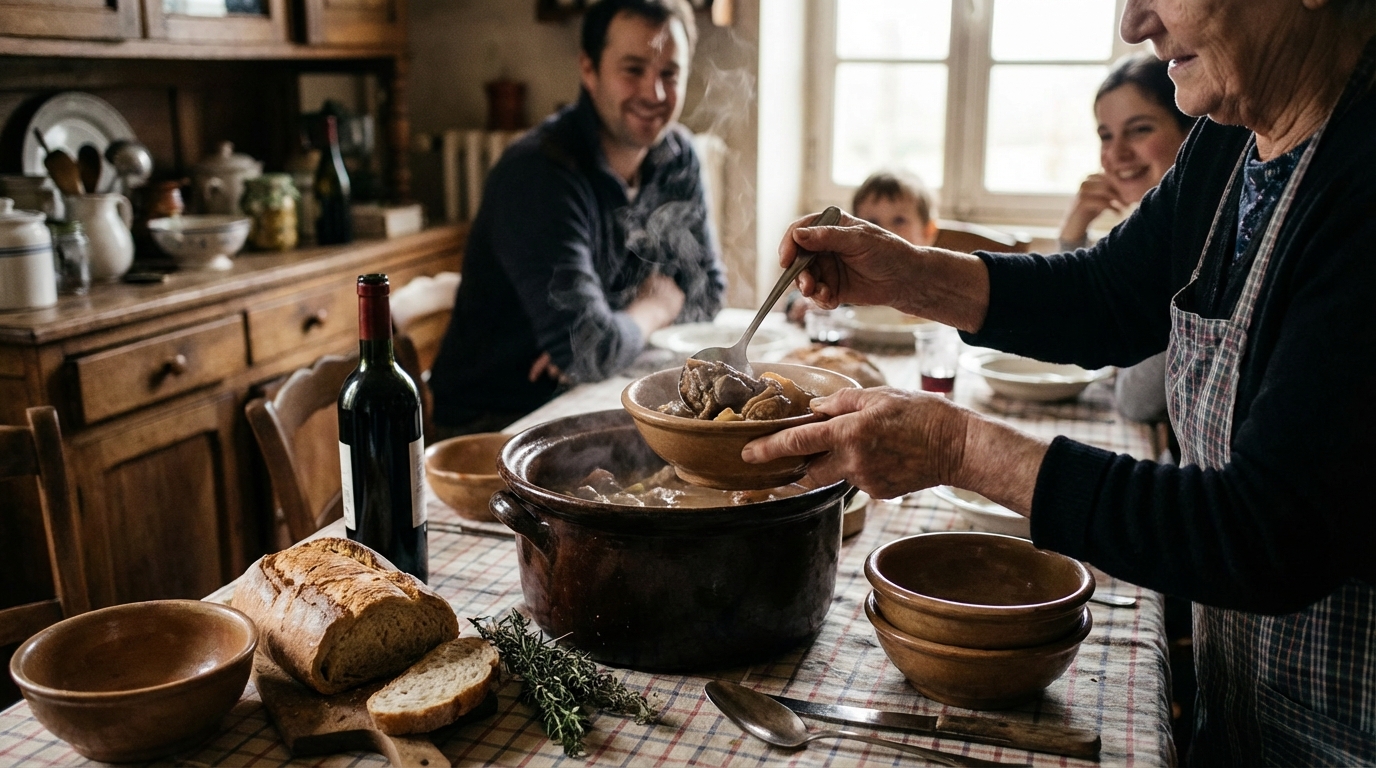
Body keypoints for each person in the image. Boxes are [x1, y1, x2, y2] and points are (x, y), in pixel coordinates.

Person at [747, 0, 1376, 763]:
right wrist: (911, 274)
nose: (1135, 22)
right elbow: (1108, 295)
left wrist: (961, 451)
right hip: (1247, 709)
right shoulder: (1229, 145)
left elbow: (1267, 531)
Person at [429, 0, 726, 436]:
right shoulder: (538, 172)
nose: (654, 94)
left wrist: (605, 333)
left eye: (670, 73)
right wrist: (651, 308)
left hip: (587, 395)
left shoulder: (677, 156)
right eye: (632, 69)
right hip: (496, 422)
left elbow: (708, 291)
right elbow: (589, 350)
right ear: (589, 70)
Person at [1060, 53, 1194, 424]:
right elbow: (1083, 337)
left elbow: (1137, 399)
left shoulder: (1196, 242)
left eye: (1139, 129)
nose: (1116, 153)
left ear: (1191, 133)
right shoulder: (1148, 230)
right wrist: (1072, 234)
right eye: (1106, 135)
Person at [787, 170, 936, 324]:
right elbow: (798, 295)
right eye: (872, 223)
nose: (886, 232)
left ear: (928, 232)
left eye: (899, 221)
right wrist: (807, 302)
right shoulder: (851, 272)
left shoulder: (932, 282)